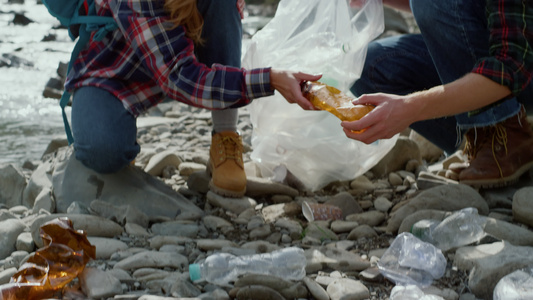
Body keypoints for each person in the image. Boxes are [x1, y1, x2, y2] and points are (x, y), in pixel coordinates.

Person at [65, 0, 321, 198]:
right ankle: (117, 130)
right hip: (115, 69)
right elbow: (181, 78)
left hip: (179, 50)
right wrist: (270, 79)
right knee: (102, 153)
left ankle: (225, 136)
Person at [343, 0, 533, 188]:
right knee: (369, 66)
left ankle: (505, 135)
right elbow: (459, 13)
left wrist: (411, 107)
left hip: (522, 64)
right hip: (498, 48)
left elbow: (512, 66)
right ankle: (477, 138)